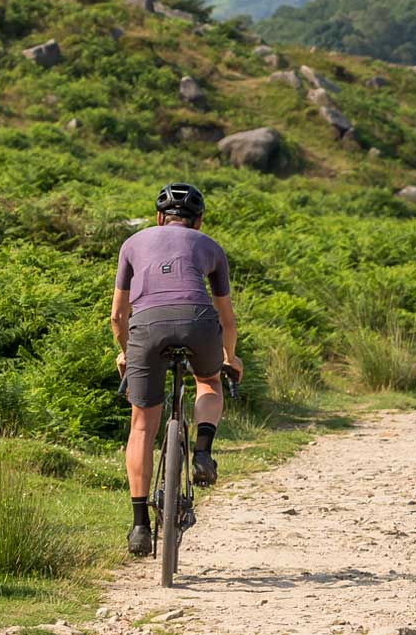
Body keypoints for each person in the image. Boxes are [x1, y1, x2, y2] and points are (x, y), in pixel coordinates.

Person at [110, 183, 243, 556]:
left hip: (147, 327)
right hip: (198, 322)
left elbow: (118, 316)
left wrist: (126, 353)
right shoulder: (211, 247)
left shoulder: (132, 244)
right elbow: (227, 319)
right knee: (209, 381)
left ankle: (139, 527)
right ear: (198, 222)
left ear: (158, 218)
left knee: (141, 424)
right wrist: (229, 357)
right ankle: (202, 450)